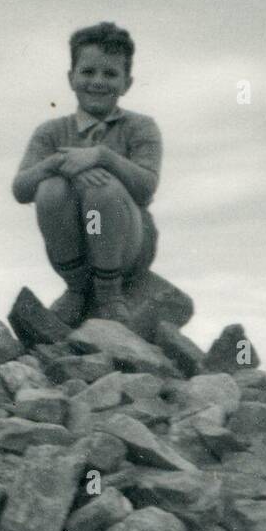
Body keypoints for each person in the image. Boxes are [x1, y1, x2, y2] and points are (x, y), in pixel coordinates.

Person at [12, 21, 161, 327]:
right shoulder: (51, 131)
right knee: (50, 188)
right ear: (71, 78)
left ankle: (108, 294)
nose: (98, 82)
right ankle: (77, 289)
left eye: (110, 74)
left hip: (126, 246)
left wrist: (102, 157)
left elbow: (146, 188)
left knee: (101, 190)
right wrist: (61, 165)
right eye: (88, 72)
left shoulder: (141, 127)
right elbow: (20, 189)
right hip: (74, 249)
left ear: (127, 83)